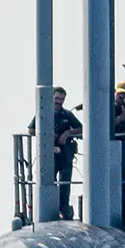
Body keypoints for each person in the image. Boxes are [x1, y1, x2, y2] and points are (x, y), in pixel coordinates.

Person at [30, 86, 83, 219]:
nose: (59, 102)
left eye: (61, 99)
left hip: (65, 155)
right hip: (48, 156)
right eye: (57, 98)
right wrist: (46, 133)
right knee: (49, 182)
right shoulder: (43, 114)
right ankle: (49, 209)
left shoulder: (67, 114)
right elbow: (31, 129)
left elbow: (81, 128)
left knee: (65, 183)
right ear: (51, 98)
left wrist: (68, 133)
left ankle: (64, 208)